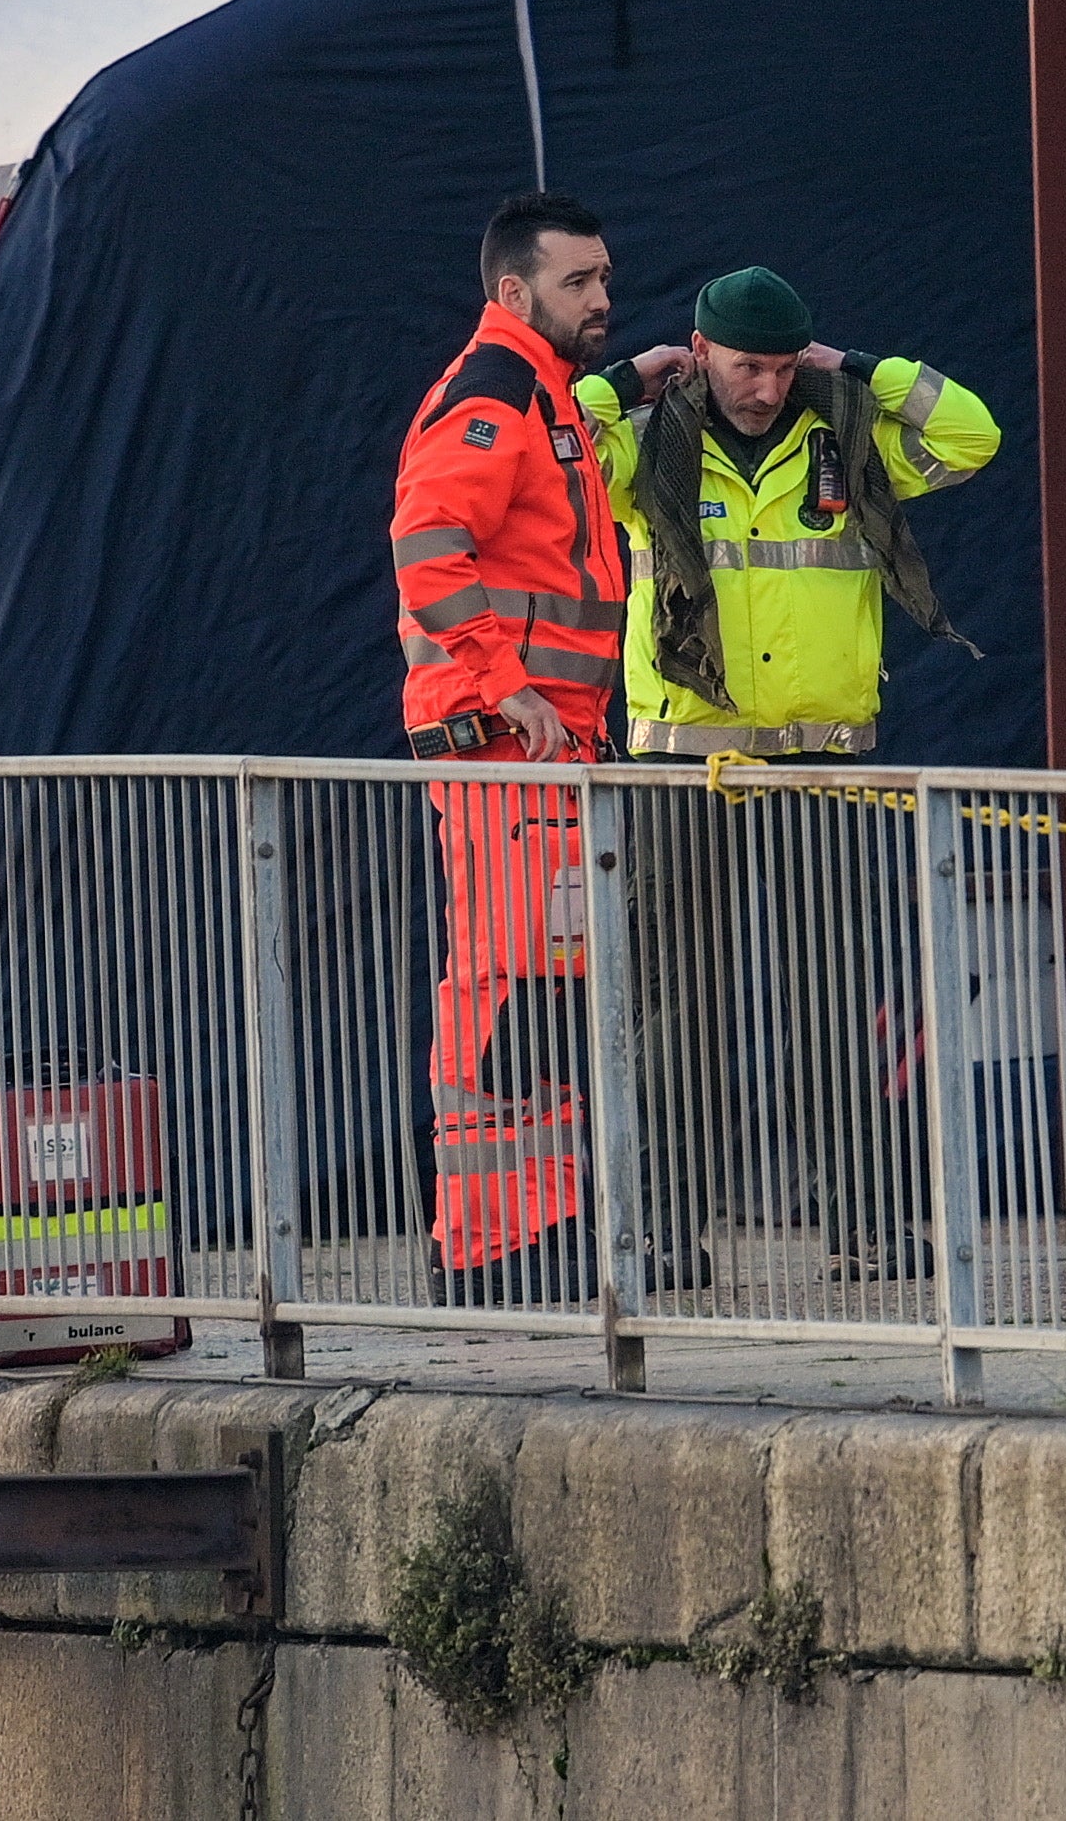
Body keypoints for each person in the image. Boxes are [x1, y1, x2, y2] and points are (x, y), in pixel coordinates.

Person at [578, 264, 999, 1291]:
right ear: (698, 348)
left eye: (778, 366)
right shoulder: (643, 442)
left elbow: (971, 434)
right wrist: (626, 377)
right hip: (684, 760)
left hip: (821, 757)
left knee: (832, 997)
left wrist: (856, 364)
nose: (762, 387)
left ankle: (862, 1222)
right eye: (741, 365)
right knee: (680, 1004)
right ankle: (669, 1230)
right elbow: (555, 446)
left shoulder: (845, 435)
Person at [390, 191, 631, 1307]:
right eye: (578, 281)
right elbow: (427, 545)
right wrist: (505, 684)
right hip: (503, 745)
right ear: (512, 290)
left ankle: (537, 1222)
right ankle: (490, 1240)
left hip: (545, 752)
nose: (601, 297)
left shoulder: (540, 395)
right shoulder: (493, 392)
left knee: (541, 982)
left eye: (602, 278)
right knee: (500, 986)